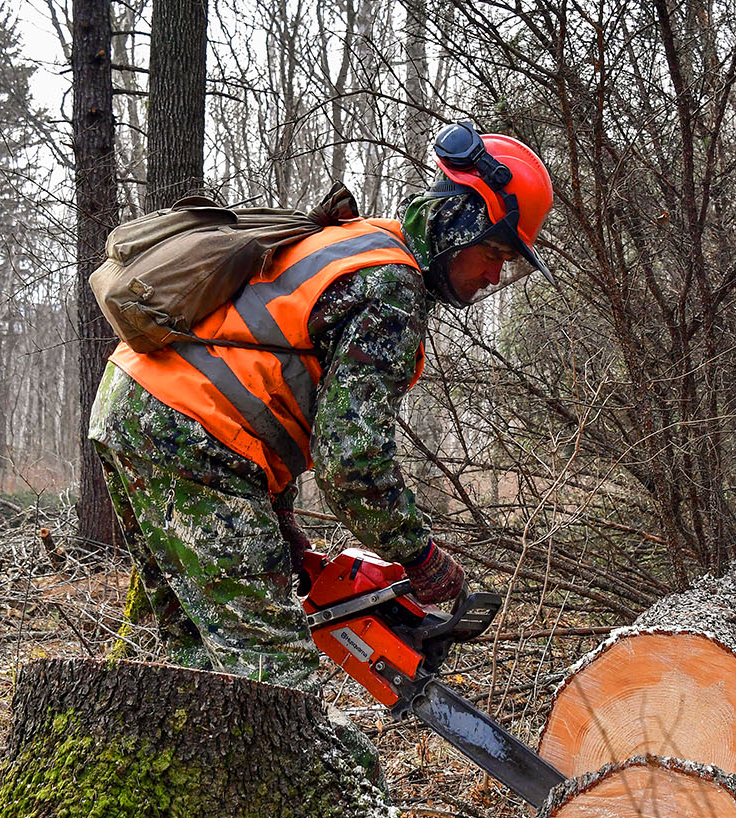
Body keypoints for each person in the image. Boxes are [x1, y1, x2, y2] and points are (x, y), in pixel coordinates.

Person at [87, 122, 554, 692]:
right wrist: (418, 555)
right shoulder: (391, 284)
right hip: (189, 433)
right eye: (493, 253)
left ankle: (148, 757)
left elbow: (265, 379)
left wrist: (278, 516)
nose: (493, 275)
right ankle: (313, 778)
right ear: (461, 222)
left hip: (138, 404)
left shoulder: (359, 243)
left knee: (187, 646)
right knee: (274, 672)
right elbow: (352, 465)